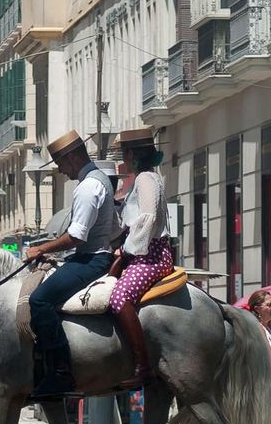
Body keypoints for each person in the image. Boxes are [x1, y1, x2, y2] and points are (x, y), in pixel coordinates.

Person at [24, 131, 118, 396]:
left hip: (91, 260)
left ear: (72, 157)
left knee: (39, 300)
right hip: (91, 255)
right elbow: (113, 228)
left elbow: (77, 236)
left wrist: (40, 249)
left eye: (61, 164)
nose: (60, 171)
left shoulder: (88, 186)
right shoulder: (100, 180)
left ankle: (62, 372)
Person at [105, 128, 170, 382]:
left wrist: (126, 251)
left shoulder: (145, 179)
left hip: (151, 255)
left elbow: (147, 218)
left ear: (132, 154)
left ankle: (142, 365)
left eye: (124, 153)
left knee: (119, 298)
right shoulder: (143, 179)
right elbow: (125, 222)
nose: (122, 158)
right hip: (142, 251)